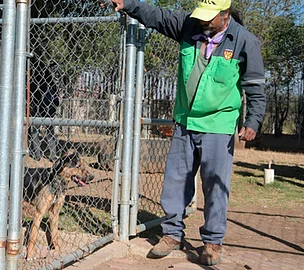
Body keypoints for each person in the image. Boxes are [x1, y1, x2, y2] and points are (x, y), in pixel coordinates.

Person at [105, 0, 266, 266]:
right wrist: (128, 3)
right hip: (185, 121)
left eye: (209, 17)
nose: (203, 21)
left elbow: (256, 86)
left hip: (218, 124)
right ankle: (171, 234)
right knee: (176, 181)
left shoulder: (245, 41)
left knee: (215, 186)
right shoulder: (189, 25)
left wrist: (253, 121)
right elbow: (157, 16)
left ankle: (212, 242)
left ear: (224, 15)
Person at [28, 59, 60, 161]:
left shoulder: (33, 80)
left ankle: (37, 155)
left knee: (34, 131)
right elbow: (56, 98)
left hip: (37, 108)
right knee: (50, 132)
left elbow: (30, 94)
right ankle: (53, 155)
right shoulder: (50, 80)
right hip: (49, 109)